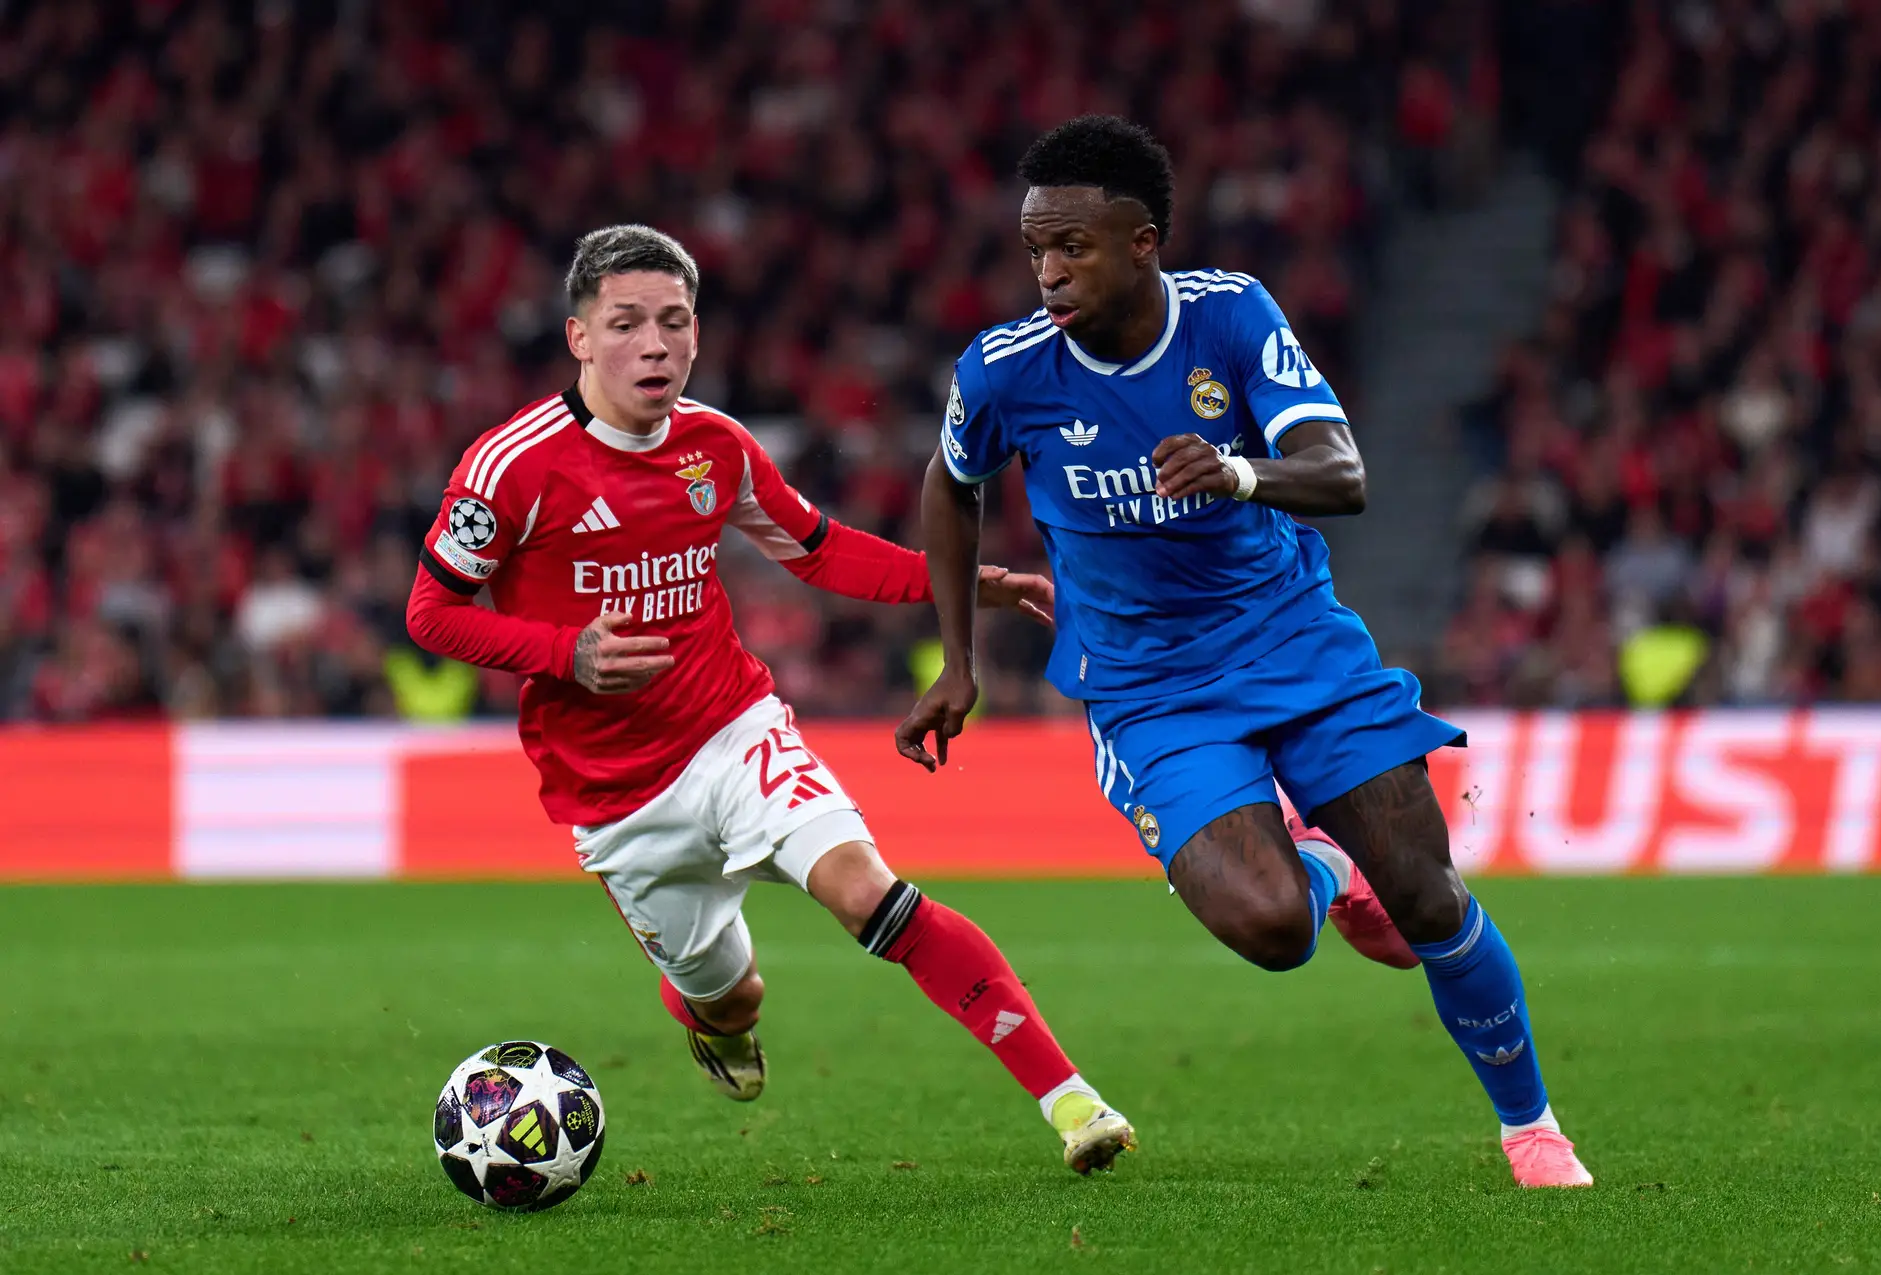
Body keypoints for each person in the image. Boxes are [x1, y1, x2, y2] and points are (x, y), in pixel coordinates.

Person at [898, 117, 1591, 1188]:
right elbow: (952, 482)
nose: (1047, 271)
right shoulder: (1005, 371)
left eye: (1071, 246)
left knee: (1427, 897)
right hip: (1149, 689)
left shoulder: (1230, 317)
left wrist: (1234, 471)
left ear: (1142, 243)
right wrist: (958, 659)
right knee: (1274, 928)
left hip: (1296, 643)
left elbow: (1341, 470)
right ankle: (1322, 865)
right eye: (1035, 248)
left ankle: (1533, 1129)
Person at [407, 224, 1134, 1174]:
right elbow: (429, 614)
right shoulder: (512, 467)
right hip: (615, 798)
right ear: (580, 337)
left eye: (674, 322)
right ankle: (708, 1015)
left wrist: (966, 580)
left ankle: (1072, 1102)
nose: (655, 344)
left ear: (698, 334)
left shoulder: (717, 447)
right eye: (626, 324)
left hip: (731, 729)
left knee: (865, 890)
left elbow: (820, 548)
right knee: (733, 996)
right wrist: (564, 653)